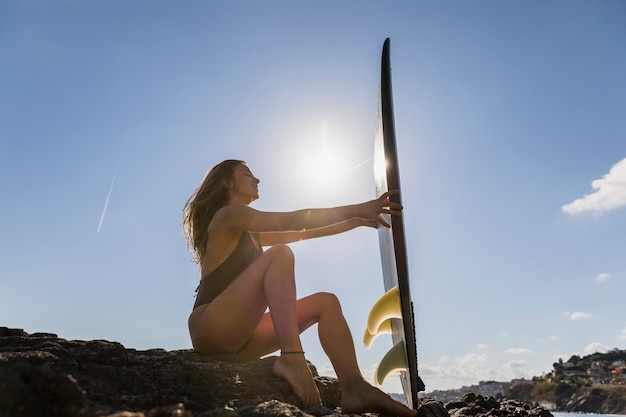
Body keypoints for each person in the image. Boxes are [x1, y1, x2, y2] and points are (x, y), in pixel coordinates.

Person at [183, 159, 416, 416]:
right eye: (247, 174)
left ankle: (354, 387)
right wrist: (357, 208)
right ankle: (292, 357)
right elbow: (293, 219)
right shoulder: (229, 214)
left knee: (326, 303)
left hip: (242, 338)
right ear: (227, 182)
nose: (257, 179)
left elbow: (304, 231)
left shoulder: (252, 233)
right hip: (211, 327)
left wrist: (358, 220)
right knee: (281, 254)